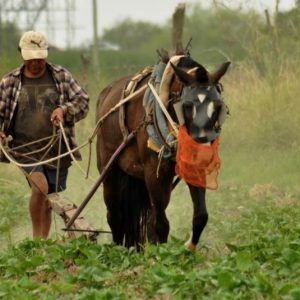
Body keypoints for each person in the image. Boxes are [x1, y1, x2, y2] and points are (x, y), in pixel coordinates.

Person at [0, 31, 89, 238]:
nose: (36, 63)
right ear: (23, 55)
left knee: (49, 196)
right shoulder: (9, 82)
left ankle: (43, 243)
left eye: (40, 59)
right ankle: (36, 238)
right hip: (24, 149)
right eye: (31, 59)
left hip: (56, 149)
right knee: (39, 186)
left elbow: (82, 101)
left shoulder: (61, 76)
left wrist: (64, 110)